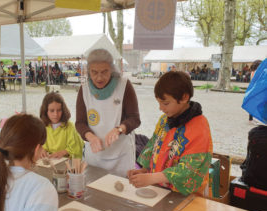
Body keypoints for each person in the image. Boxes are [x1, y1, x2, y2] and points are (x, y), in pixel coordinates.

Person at [127, 71, 212, 196]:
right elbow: (153, 147)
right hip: (159, 188)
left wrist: (152, 178)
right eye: (159, 103)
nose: (161, 108)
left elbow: (190, 170)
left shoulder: (200, 127)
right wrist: (145, 170)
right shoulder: (164, 120)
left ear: (184, 97)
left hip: (186, 196)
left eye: (165, 103)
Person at [75, 48, 141, 177]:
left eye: (104, 72)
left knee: (120, 192)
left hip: (121, 156)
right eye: (94, 72)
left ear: (112, 69)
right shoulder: (84, 90)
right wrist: (90, 136)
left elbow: (135, 118)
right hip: (94, 155)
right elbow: (80, 122)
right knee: (93, 191)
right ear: (88, 71)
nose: (99, 77)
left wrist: (119, 129)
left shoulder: (124, 86)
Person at [40, 92, 84, 159]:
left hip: (67, 165)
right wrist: (41, 149)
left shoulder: (70, 127)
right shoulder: (42, 127)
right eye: (52, 111)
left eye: (59, 110)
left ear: (63, 110)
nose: (56, 114)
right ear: (45, 111)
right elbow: (39, 145)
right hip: (49, 163)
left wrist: (63, 152)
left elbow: (77, 148)